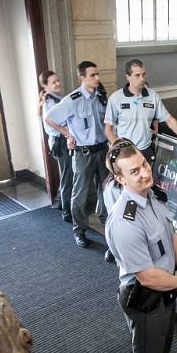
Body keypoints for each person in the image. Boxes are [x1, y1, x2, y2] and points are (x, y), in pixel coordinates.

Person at [104, 139, 177, 353]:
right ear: (119, 179)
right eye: (134, 171)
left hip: (168, 284)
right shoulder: (124, 222)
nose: (144, 172)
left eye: (144, 163)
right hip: (145, 295)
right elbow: (146, 277)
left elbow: (171, 233)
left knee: (163, 339)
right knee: (146, 349)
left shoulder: (153, 194)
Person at [45, 61, 109, 248]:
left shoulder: (101, 96)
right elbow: (49, 118)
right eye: (92, 75)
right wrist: (68, 134)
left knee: (106, 191)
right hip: (83, 153)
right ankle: (79, 230)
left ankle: (108, 225)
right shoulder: (73, 100)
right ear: (82, 78)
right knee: (80, 194)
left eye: (97, 74)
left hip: (102, 150)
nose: (97, 78)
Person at [105, 58, 177, 169]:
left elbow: (170, 120)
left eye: (143, 74)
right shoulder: (116, 98)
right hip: (125, 154)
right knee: (128, 185)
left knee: (147, 184)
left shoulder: (152, 96)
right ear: (128, 77)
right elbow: (108, 129)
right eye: (137, 75)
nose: (142, 79)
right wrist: (119, 149)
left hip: (146, 150)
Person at [38, 70, 73, 222]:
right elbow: (53, 124)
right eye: (54, 82)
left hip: (59, 140)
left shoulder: (54, 98)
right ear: (45, 86)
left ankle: (60, 202)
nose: (58, 83)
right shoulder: (50, 101)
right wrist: (69, 134)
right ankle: (67, 211)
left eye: (58, 80)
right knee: (67, 175)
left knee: (67, 173)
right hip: (60, 141)